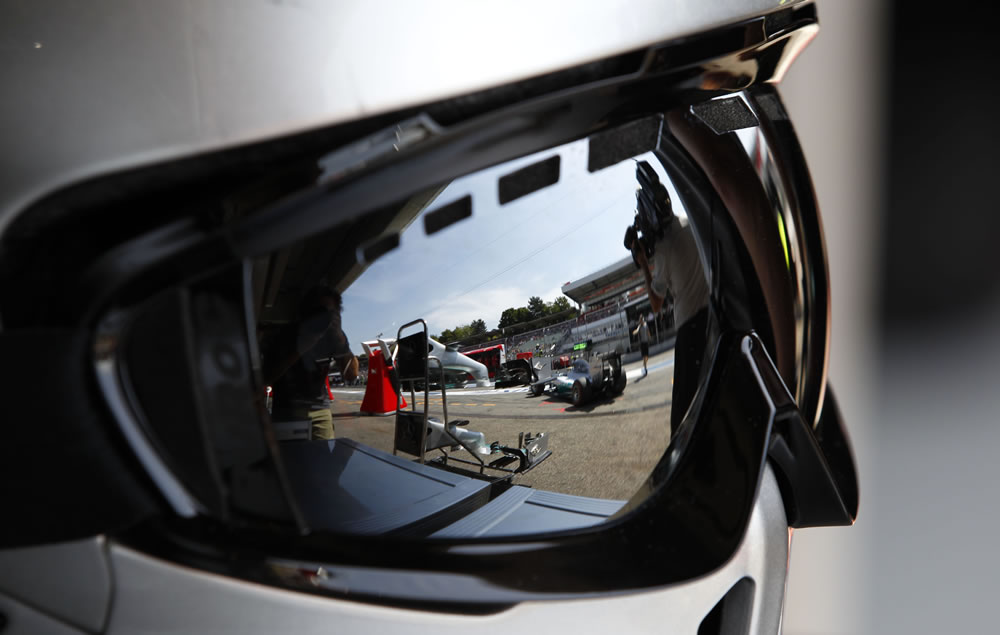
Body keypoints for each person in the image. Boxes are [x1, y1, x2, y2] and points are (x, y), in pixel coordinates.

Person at [624, 162, 710, 435]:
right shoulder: (686, 222)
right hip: (711, 314)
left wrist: (644, 267)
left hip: (689, 328)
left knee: (681, 415)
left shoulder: (663, 249)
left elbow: (657, 303)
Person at [263, 285, 359, 440]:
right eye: (318, 312)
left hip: (320, 410)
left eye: (329, 313)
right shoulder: (285, 335)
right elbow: (267, 377)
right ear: (305, 313)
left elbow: (351, 375)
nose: (323, 318)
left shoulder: (334, 337)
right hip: (287, 409)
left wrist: (340, 338)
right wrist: (302, 346)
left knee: (324, 460)